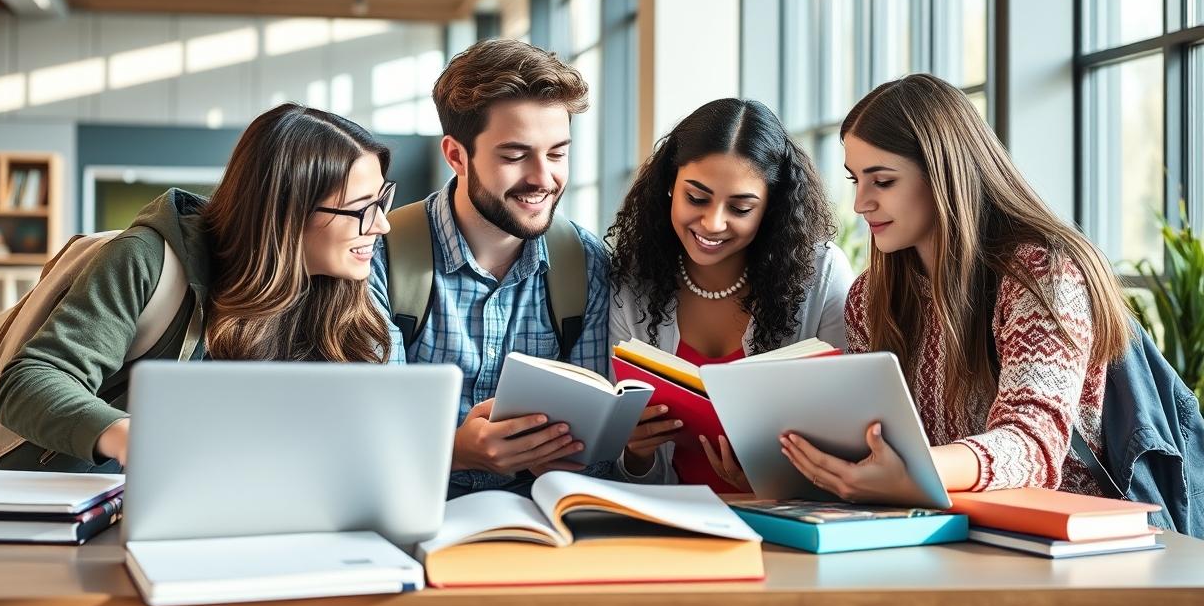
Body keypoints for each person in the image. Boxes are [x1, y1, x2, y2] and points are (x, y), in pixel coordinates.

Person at [0, 104, 398, 482]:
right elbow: (30, 382)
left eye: (383, 200)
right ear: (285, 211)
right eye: (363, 208)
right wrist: (128, 436)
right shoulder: (146, 259)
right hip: (48, 506)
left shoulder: (334, 292)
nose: (382, 224)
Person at [783, 73, 1131, 504]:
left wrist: (916, 471)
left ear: (944, 173)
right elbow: (873, 440)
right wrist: (790, 460)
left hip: (1053, 547)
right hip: (940, 532)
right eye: (856, 180)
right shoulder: (869, 297)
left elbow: (1034, 445)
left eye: (883, 181)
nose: (860, 204)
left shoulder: (1041, 272)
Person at [369, 38, 611, 498]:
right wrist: (455, 451)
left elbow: (594, 455)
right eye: (515, 155)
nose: (543, 178)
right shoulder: (380, 257)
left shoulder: (585, 264)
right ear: (457, 156)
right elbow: (366, 438)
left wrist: (572, 458)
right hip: (409, 512)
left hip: (539, 522)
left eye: (557, 153)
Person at [607, 98, 853, 487]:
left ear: (771, 207)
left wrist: (770, 478)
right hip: (668, 524)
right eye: (697, 198)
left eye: (740, 208)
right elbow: (622, 469)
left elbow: (849, 430)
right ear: (670, 184)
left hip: (785, 523)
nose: (713, 222)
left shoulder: (820, 274)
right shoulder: (634, 283)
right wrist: (635, 451)